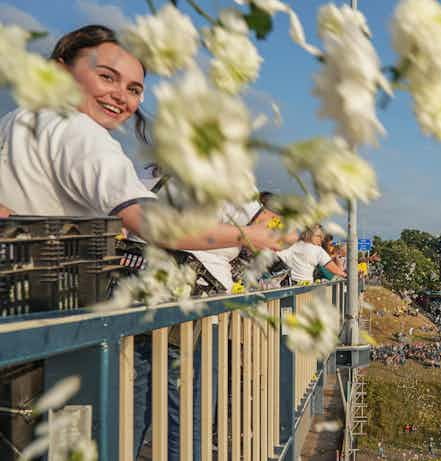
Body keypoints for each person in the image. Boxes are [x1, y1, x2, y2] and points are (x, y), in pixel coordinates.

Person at [0, 25, 291, 461]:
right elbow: (151, 223)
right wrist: (246, 236)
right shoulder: (83, 134)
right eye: (107, 77)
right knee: (96, 431)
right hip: (67, 326)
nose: (122, 96)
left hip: (22, 315)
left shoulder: (15, 121)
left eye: (134, 88)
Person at [276, 224, 346, 284]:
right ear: (310, 235)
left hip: (292, 287)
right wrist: (347, 276)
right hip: (306, 288)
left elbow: (277, 258)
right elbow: (336, 270)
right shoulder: (317, 250)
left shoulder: (294, 246)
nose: (321, 240)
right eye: (319, 236)